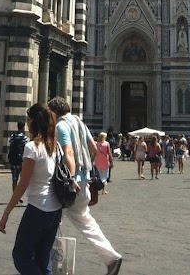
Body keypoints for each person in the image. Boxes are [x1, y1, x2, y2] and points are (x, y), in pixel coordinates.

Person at [48, 97, 122, 275]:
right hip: (84, 181)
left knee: (49, 220)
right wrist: (86, 170)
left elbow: (68, 151)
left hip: (70, 183)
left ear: (54, 112)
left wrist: (71, 178)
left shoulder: (61, 125)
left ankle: (44, 266)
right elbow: (93, 149)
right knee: (86, 222)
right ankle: (111, 257)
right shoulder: (80, 123)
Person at [0, 104, 61, 274]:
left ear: (32, 121)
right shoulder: (55, 146)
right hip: (55, 209)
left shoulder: (32, 147)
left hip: (38, 208)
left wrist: (7, 212)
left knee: (21, 256)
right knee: (43, 256)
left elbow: (23, 184)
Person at [8, 120, 28, 201]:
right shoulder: (25, 138)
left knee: (14, 179)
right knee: (22, 180)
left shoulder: (12, 136)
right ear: (23, 127)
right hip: (21, 162)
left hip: (13, 160)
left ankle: (15, 197)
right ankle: (19, 196)